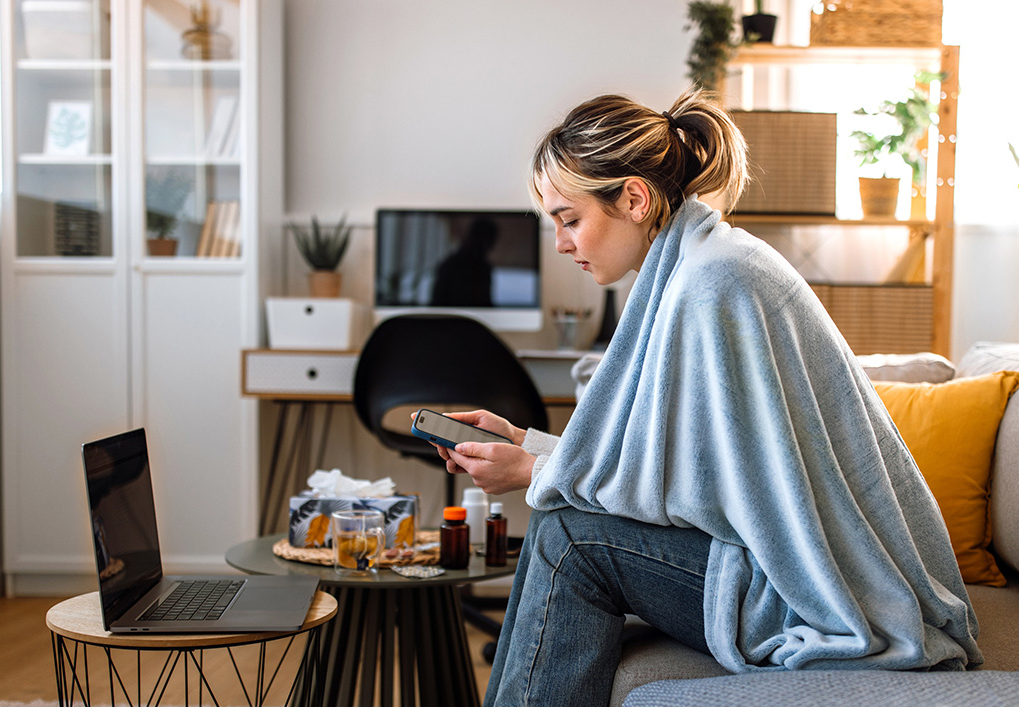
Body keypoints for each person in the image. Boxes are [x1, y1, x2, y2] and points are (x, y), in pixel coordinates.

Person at [420, 85, 983, 706]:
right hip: (788, 560)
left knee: (568, 539)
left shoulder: (713, 282)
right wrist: (532, 447)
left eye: (570, 218)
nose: (560, 243)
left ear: (633, 198)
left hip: (818, 587)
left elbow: (704, 495)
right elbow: (686, 470)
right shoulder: (700, 263)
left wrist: (536, 469)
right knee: (564, 521)